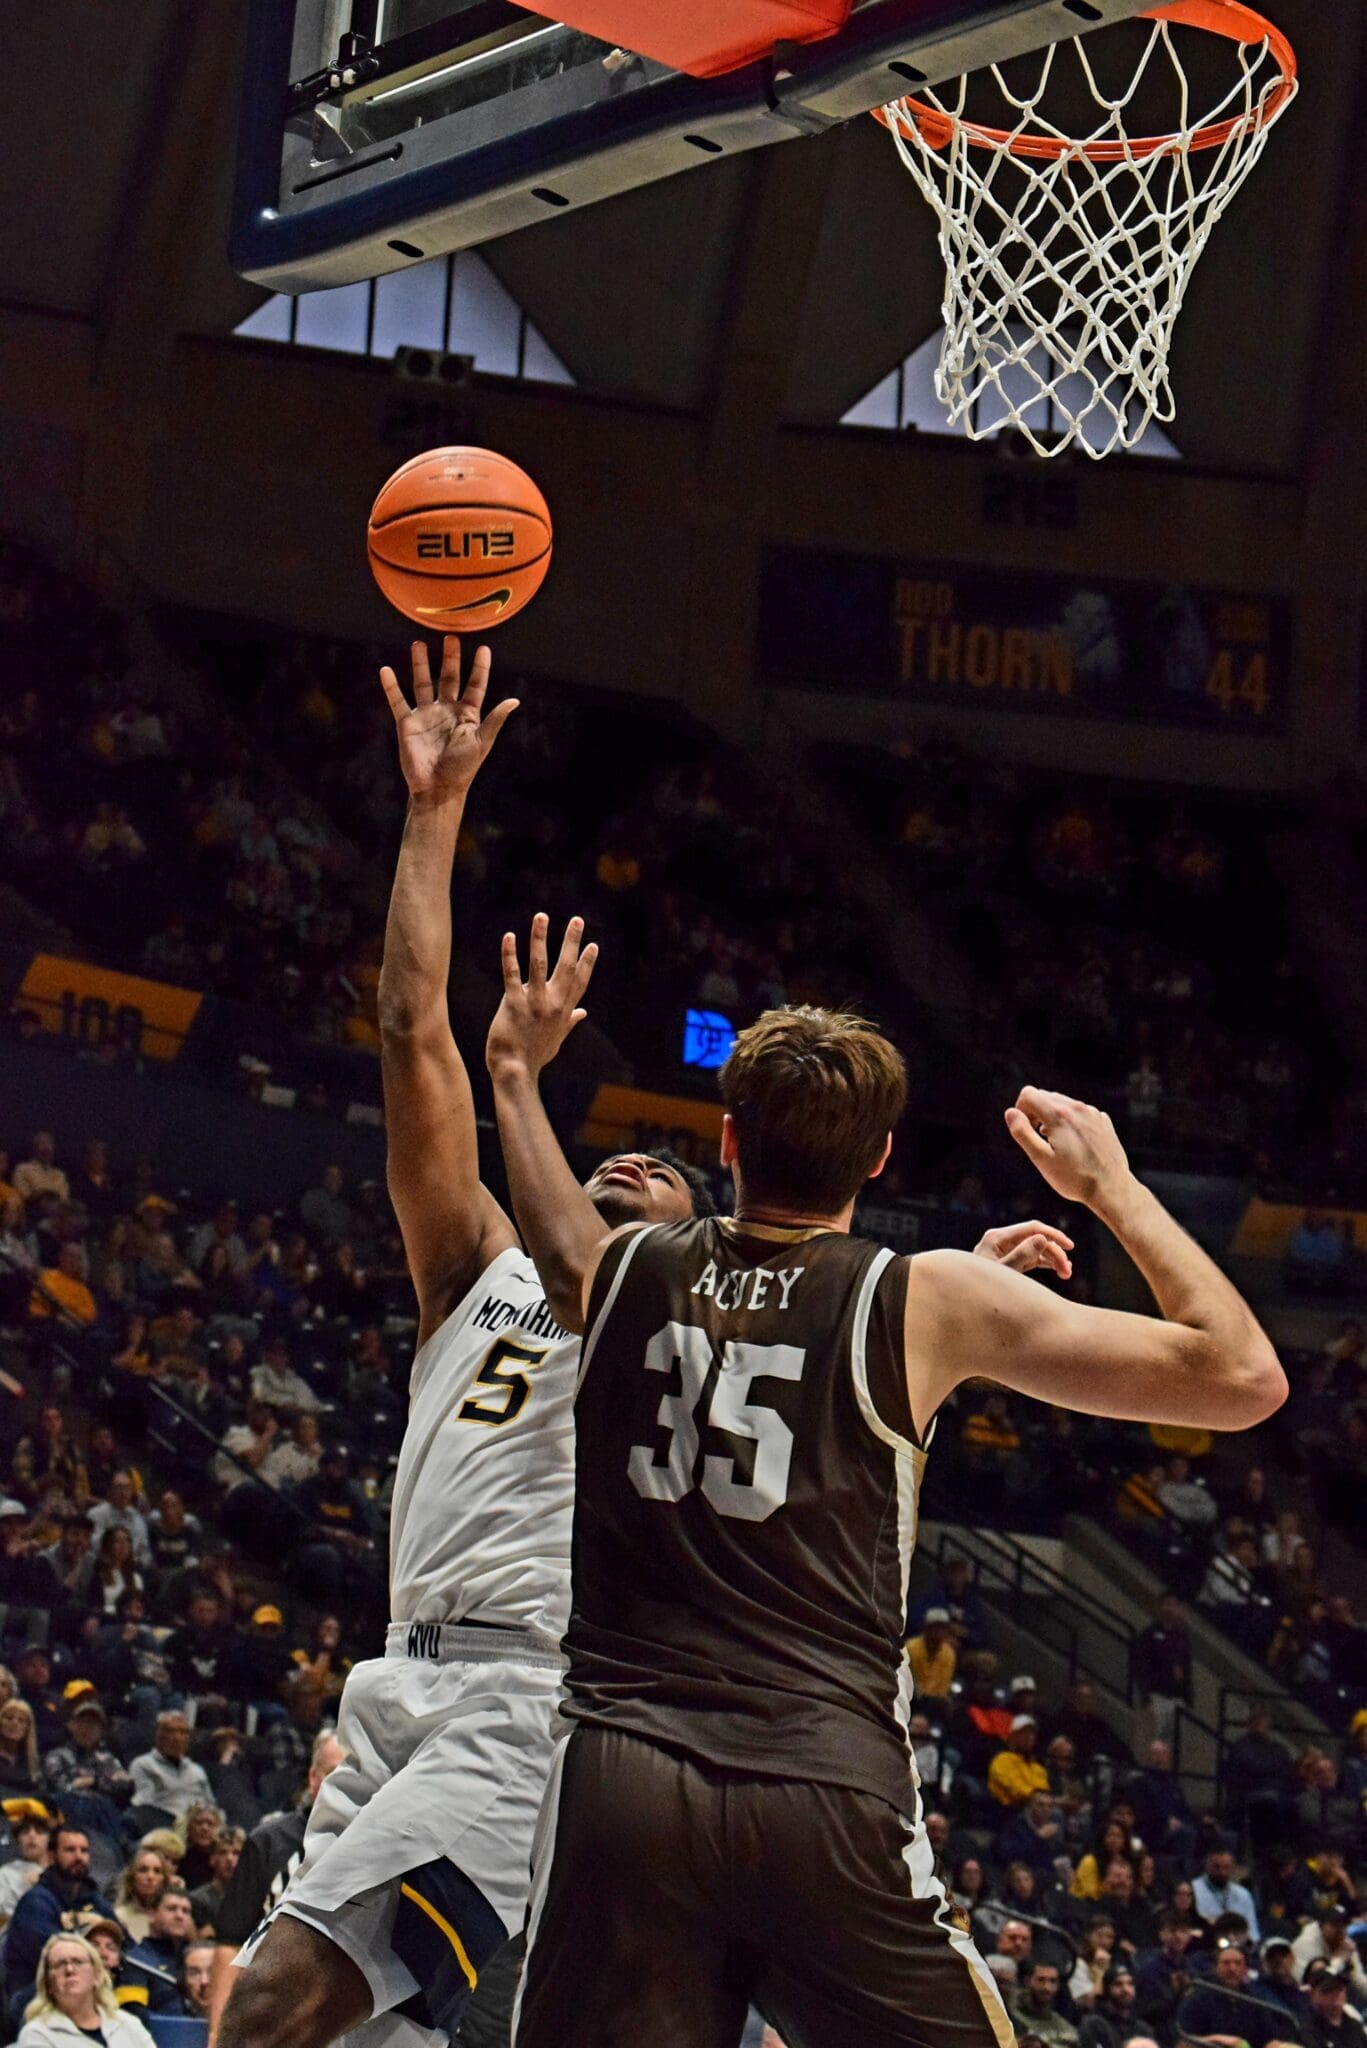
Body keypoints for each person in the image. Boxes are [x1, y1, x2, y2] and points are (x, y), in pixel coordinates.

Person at [216, 643, 1115, 2048]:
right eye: (609, 1159)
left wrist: (954, 1296)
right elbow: (408, 1030)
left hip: (547, 1694)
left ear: (713, 1215)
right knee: (308, 2030)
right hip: (398, 1681)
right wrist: (432, 816)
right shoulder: (476, 1267)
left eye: (665, 1176)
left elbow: (832, 1314)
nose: (631, 1171)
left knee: (273, 2011)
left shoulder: (669, 1295)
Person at [486, 955, 1283, 2044]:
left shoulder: (624, 1268)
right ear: (878, 1157)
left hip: (622, 1777)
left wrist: (512, 1074)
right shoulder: (921, 1298)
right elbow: (1241, 1377)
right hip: (817, 1779)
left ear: (725, 1141)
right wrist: (1110, 1189)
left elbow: (552, 1225)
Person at [208, 1731, 345, 2036]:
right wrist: (217, 2037)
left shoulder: (381, 1853)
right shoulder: (269, 1842)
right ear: (313, 1778)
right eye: (335, 1774)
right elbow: (229, 1944)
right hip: (270, 2016)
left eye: (356, 1776)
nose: (345, 1786)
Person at [6, 1828, 117, 2004]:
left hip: (84, 1990)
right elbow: (56, 1957)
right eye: (70, 1850)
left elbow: (123, 1940)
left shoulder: (92, 1896)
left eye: (84, 1851)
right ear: (51, 1856)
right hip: (35, 1996)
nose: (79, 1856)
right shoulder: (36, 1902)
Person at [16, 1932, 155, 2048]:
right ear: (48, 1982)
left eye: (77, 1962)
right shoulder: (37, 2034)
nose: (70, 1970)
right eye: (59, 1965)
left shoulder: (128, 2023)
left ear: (97, 1975)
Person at [1175, 1939, 1290, 2048]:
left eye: (1238, 1963)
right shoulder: (1197, 1999)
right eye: (1226, 1963)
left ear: (1245, 1969)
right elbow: (1183, 2043)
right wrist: (1217, 2039)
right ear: (1216, 1968)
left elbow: (1270, 2039)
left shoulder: (1255, 2001)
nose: (1232, 1968)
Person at [121, 1885, 194, 2015]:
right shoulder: (135, 1960)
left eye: (186, 1911)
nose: (179, 1916)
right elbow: (134, 2013)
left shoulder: (194, 1960)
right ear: (151, 1915)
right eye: (172, 1909)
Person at [129, 1710, 212, 1821]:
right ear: (157, 1735)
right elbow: (144, 1805)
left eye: (183, 1732)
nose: (177, 1738)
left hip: (199, 1826)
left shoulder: (197, 1771)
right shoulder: (143, 1764)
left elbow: (210, 1804)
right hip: (163, 1825)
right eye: (170, 1731)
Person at [1193, 1843, 1262, 1942]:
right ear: (1207, 1865)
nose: (1222, 1872)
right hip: (1205, 1944)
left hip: (1238, 1947)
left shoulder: (1243, 1894)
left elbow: (1252, 1932)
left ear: (1233, 1867)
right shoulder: (1194, 1890)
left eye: (1226, 1867)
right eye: (1216, 1867)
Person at [1010, 1961, 1080, 2048]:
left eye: (1053, 1981)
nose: (1047, 1987)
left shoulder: (1065, 2025)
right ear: (1027, 1981)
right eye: (1041, 1980)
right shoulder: (1012, 2018)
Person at [1303, 1966, 1367, 2048]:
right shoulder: (1310, 2032)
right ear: (1313, 1995)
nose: (1335, 1995)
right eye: (1328, 1990)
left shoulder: (1354, 2025)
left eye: (1339, 1989)